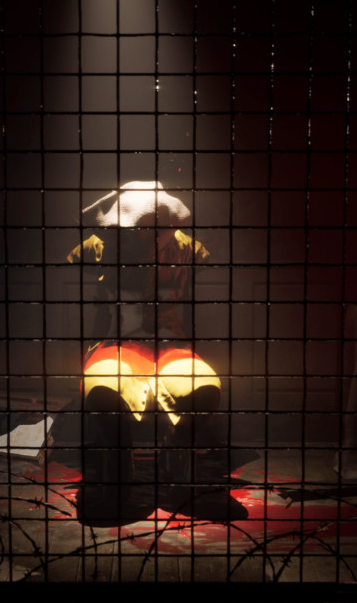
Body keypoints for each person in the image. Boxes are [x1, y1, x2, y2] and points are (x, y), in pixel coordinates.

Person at [65, 181, 247, 525]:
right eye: (134, 228)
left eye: (150, 228)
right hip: (117, 345)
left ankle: (176, 465)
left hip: (171, 345)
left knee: (204, 388)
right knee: (103, 390)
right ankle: (120, 473)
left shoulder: (188, 248)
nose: (141, 236)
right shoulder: (96, 247)